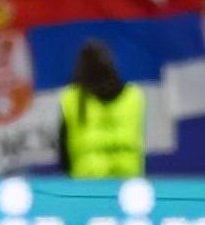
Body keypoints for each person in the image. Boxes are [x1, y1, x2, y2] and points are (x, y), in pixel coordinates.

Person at [58, 40, 146, 178]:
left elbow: (63, 149)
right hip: (127, 178)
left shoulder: (71, 98)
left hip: (88, 182)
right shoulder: (134, 95)